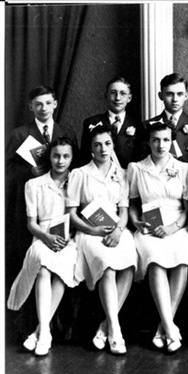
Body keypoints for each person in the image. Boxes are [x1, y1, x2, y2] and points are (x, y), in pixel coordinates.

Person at [67, 125, 137, 355]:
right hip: (89, 231)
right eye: (97, 144)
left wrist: (118, 231)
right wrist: (94, 231)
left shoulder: (122, 173)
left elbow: (124, 211)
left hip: (116, 228)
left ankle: (105, 326)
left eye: (107, 143)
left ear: (113, 145)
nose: (102, 149)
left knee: (128, 264)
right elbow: (72, 215)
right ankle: (116, 330)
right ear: (90, 148)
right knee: (108, 266)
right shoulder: (79, 174)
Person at [128, 123, 188, 353]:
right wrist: (136, 221)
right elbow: (133, 203)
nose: (160, 145)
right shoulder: (137, 168)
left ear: (172, 141)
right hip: (149, 225)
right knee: (156, 259)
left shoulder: (184, 168)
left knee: (182, 258)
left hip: (177, 225)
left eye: (165, 140)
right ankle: (170, 327)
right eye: (156, 140)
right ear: (149, 141)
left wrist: (173, 227)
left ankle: (163, 327)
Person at [7, 137, 78, 356]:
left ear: (72, 158)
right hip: (42, 237)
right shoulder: (34, 185)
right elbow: (31, 224)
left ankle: (40, 331)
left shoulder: (77, 182)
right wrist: (47, 238)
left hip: (69, 239)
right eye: (56, 155)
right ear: (49, 157)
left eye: (66, 156)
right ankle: (45, 332)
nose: (60, 161)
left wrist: (68, 237)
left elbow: (79, 217)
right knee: (44, 269)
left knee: (62, 270)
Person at [5, 85, 78, 290]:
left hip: (62, 203)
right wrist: (30, 172)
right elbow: (6, 169)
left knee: (63, 261)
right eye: (38, 104)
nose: (43, 108)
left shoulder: (67, 132)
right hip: (33, 206)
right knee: (35, 262)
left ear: (55, 104)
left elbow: (77, 165)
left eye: (47, 103)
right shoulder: (19, 135)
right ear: (31, 107)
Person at [79, 76, 143, 168]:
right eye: (113, 93)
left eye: (123, 93)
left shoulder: (138, 125)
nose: (117, 98)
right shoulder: (91, 123)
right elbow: (84, 157)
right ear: (106, 95)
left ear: (129, 98)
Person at [143, 73, 188, 164]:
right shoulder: (147, 126)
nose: (175, 99)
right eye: (169, 94)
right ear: (161, 96)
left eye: (180, 94)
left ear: (186, 96)